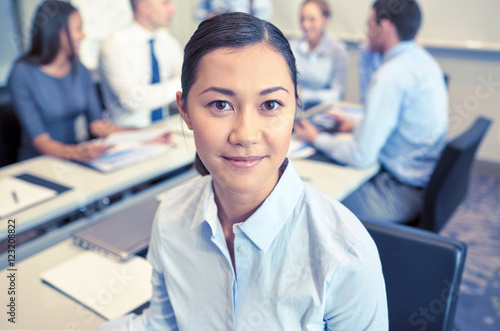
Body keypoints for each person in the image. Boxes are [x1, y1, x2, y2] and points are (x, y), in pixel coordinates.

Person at [97, 12, 388, 330]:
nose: (246, 135)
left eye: (271, 105)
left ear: (295, 107)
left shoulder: (345, 255)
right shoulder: (171, 216)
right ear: (185, 111)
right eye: (220, 104)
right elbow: (163, 325)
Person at [294, 0, 449, 224]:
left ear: (383, 27)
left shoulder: (390, 76)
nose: (366, 34)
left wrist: (316, 138)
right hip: (420, 180)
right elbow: (398, 122)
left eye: (369, 25)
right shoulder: (423, 61)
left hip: (399, 191)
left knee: (316, 200)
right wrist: (356, 126)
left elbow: (360, 156)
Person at [8, 0, 123, 161]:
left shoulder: (79, 68)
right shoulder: (22, 73)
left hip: (75, 157)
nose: (84, 35)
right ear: (57, 32)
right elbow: (41, 141)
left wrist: (146, 136)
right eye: (78, 28)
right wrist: (78, 153)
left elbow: (97, 125)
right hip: (38, 163)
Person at [99, 0, 182, 128]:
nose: (173, 9)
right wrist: (184, 81)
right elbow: (133, 100)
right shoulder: (114, 46)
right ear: (143, 8)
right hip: (128, 132)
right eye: (165, 3)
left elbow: (183, 88)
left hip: (164, 126)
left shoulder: (168, 41)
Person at [289, 0, 348, 109]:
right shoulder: (292, 47)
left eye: (312, 19)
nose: (305, 25)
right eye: (302, 19)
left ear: (325, 19)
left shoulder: (337, 50)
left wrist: (304, 95)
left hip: (323, 113)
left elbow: (337, 94)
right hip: (295, 110)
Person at [194, 0, 273, 21]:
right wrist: (208, 16)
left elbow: (263, 20)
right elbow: (197, 13)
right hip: (216, 33)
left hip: (245, 37)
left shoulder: (259, 2)